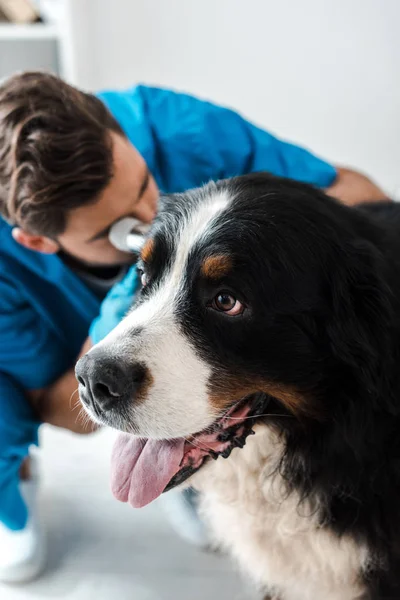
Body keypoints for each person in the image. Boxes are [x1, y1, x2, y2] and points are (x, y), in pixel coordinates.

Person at [0, 71, 387, 584]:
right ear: (38, 242)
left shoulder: (181, 130)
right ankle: (15, 493)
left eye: (143, 185)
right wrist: (121, 313)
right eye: (115, 232)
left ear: (121, 135)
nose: (147, 214)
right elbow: (62, 409)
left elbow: (356, 194)